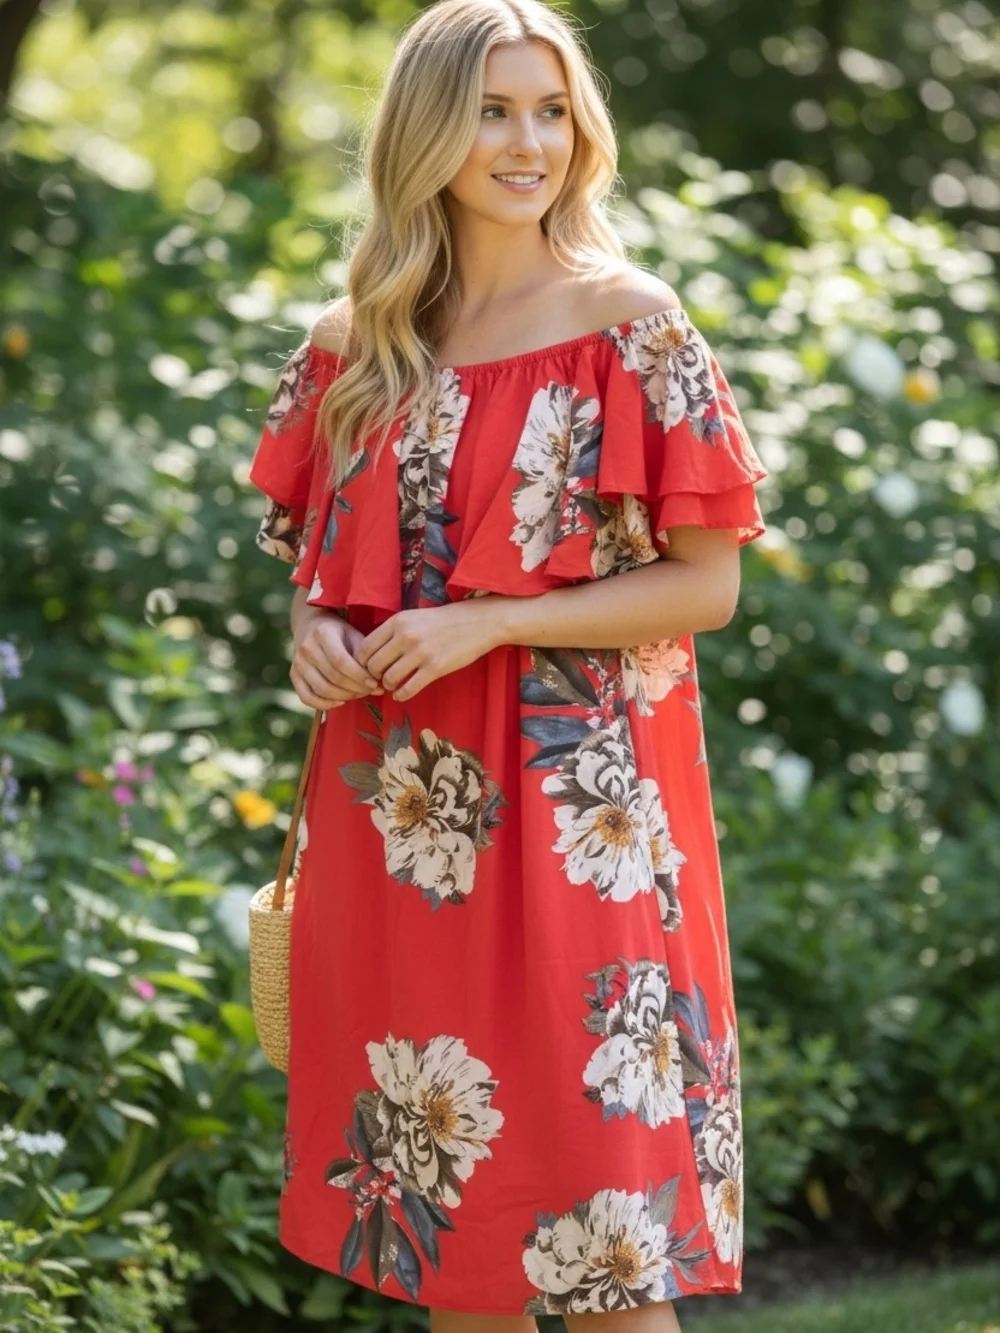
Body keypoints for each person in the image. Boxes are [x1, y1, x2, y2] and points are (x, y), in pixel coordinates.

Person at [247, 1, 769, 1329]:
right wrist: (318, 636)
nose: (526, 141)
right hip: (401, 822)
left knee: (604, 1244)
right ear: (426, 128)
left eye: (550, 109)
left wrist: (490, 623)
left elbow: (707, 585)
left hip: (580, 816)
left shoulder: (631, 324)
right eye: (491, 109)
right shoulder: (352, 342)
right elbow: (322, 571)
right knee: (457, 1237)